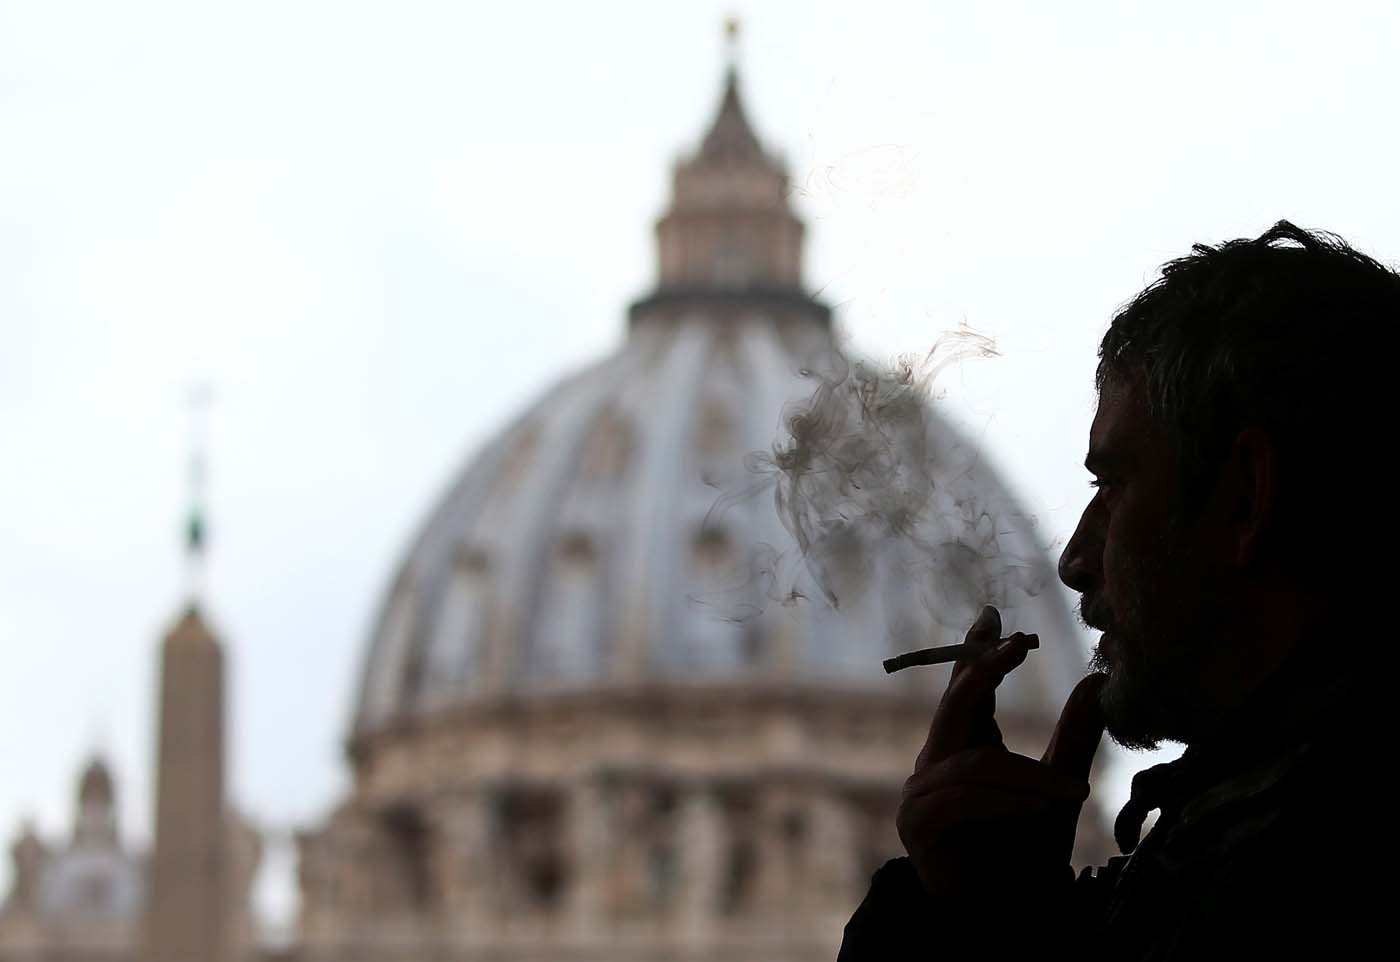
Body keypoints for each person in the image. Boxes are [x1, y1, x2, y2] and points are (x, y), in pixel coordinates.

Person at [837, 221, 1396, 960]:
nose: (1072, 560)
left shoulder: (1281, 884)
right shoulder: (1221, 840)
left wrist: (957, 929)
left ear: (1243, 499)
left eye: (1113, 485)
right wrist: (999, 917)